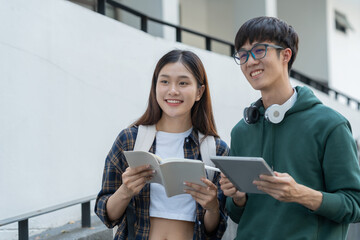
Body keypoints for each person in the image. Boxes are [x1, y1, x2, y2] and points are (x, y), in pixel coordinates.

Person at [220, 16, 360, 239]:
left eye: (259, 50)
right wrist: (238, 197)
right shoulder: (242, 130)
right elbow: (237, 214)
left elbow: (354, 205)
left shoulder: (330, 124)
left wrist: (301, 194)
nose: (249, 61)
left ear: (286, 55)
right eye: (243, 55)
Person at [95, 49, 229, 240]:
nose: (172, 90)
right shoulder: (130, 140)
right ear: (155, 87)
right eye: (164, 81)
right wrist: (125, 191)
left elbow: (214, 231)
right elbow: (105, 214)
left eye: (183, 83)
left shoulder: (216, 149)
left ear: (199, 92)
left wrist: (212, 208)